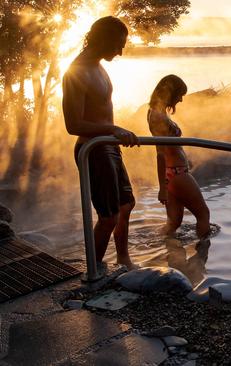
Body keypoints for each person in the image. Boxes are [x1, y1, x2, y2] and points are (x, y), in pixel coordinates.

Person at [62, 16, 139, 271]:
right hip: (93, 150)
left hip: (108, 145)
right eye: (118, 44)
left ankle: (123, 260)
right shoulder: (78, 71)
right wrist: (113, 129)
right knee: (108, 216)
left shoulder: (98, 66)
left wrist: (113, 134)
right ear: (103, 39)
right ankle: (93, 272)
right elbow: (73, 124)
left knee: (126, 205)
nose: (120, 51)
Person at [147, 74, 211, 239]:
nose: (181, 100)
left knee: (174, 222)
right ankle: (202, 257)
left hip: (173, 174)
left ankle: (160, 250)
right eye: (180, 95)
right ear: (171, 93)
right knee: (203, 214)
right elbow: (160, 154)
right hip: (177, 174)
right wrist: (162, 188)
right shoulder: (157, 117)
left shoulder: (158, 113)